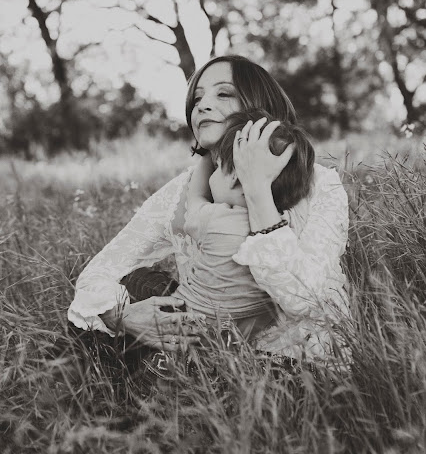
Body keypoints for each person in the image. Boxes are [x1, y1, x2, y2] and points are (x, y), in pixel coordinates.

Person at [68, 55, 349, 374]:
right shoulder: (180, 191)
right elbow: (98, 273)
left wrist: (257, 190)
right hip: (206, 344)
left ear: (259, 104)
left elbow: (304, 299)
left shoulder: (320, 184)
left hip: (296, 367)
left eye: (223, 93)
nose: (202, 106)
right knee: (134, 287)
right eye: (197, 99)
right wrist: (123, 316)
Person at [171, 108, 315, 346]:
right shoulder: (289, 223)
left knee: (140, 280)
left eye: (218, 166)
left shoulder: (216, 219)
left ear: (234, 176)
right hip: (240, 339)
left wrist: (207, 154)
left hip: (188, 326)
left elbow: (195, 196)